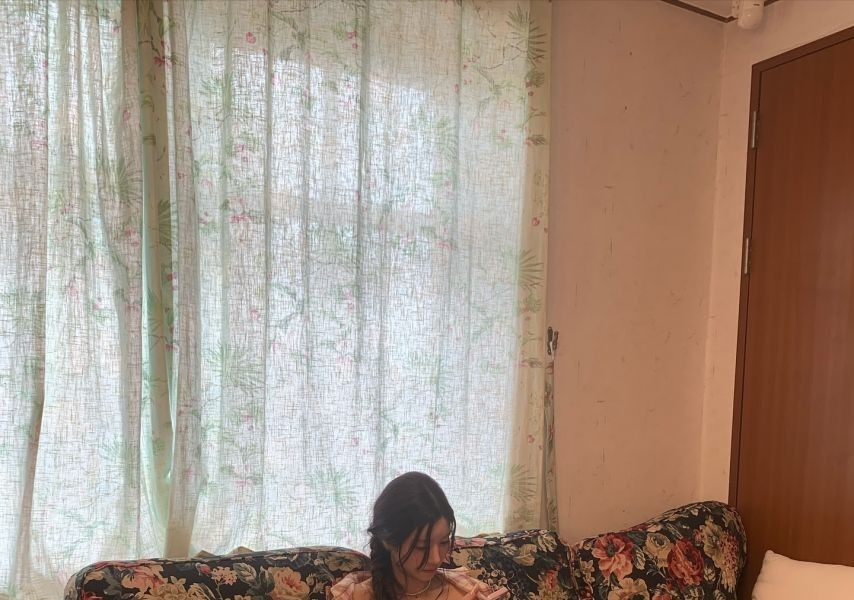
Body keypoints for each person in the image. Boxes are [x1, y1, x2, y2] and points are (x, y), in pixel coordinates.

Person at [328, 472, 503, 600]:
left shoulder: (470, 591)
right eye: (421, 546)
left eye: (444, 542)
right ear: (388, 541)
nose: (436, 558)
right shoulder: (354, 596)